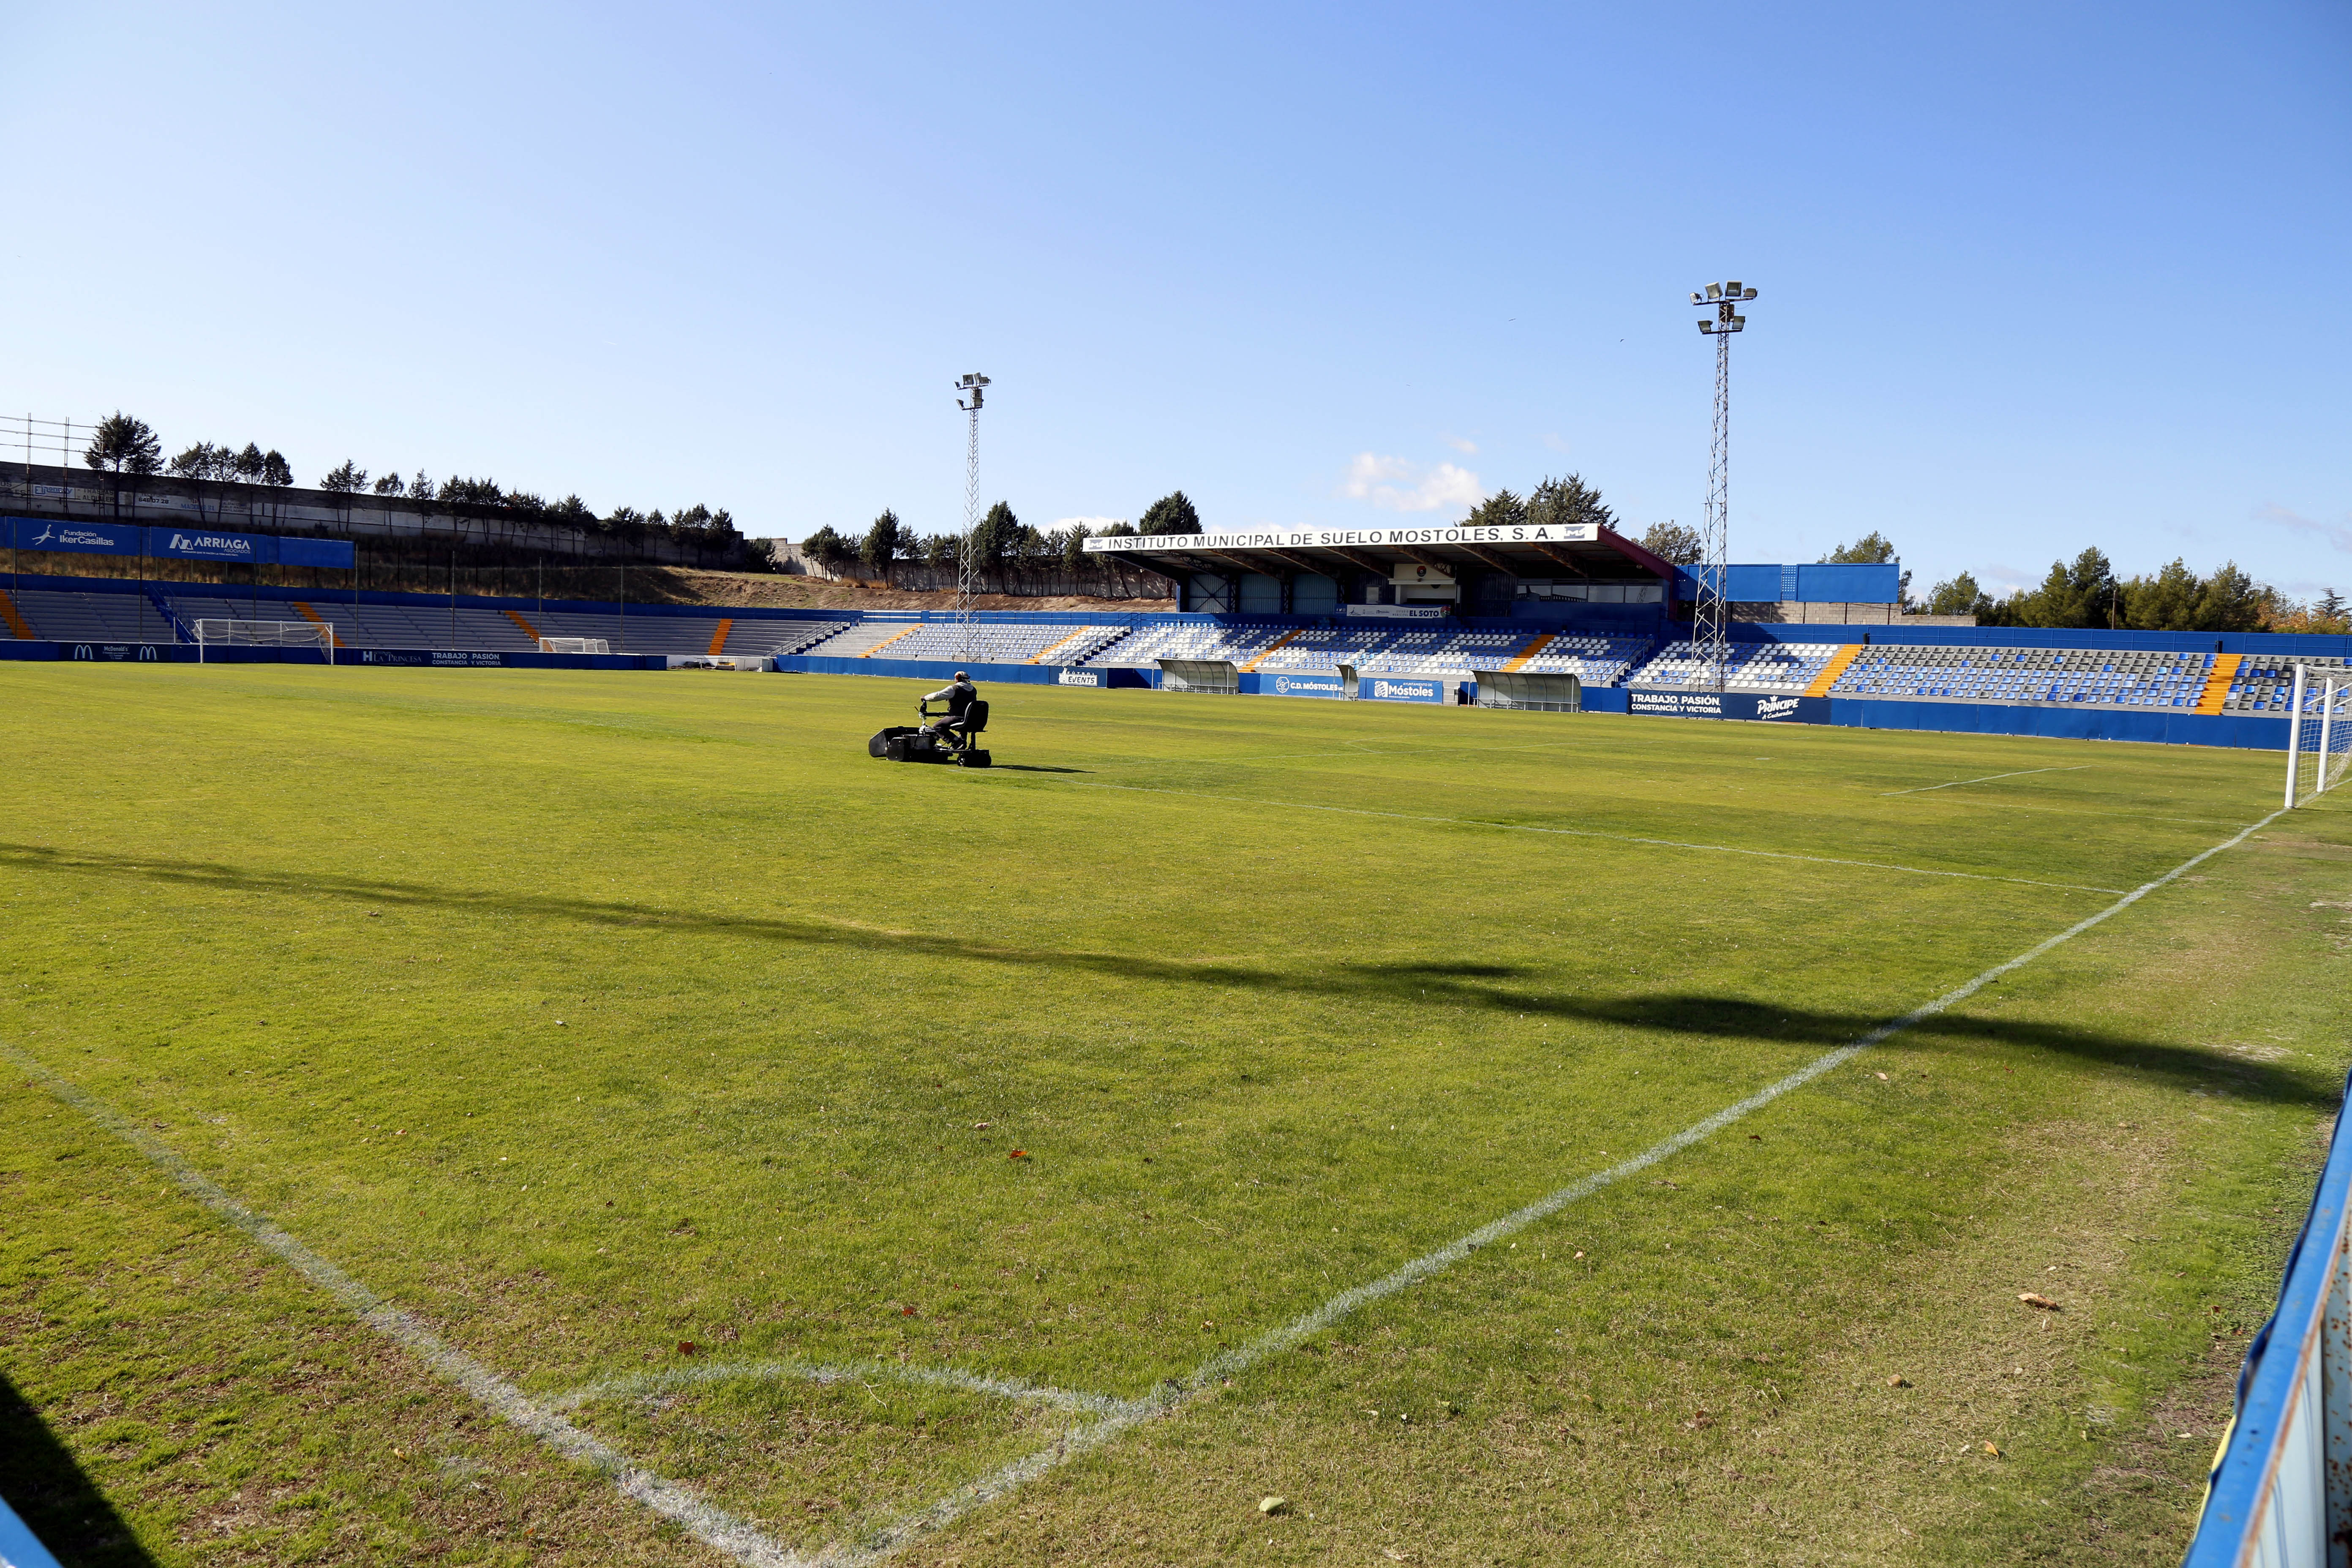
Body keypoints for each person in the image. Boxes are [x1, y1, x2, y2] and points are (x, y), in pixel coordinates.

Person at [921, 671, 978, 742]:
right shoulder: (973, 689)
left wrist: (925, 698)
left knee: (938, 726)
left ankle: (957, 741)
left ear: (957, 679)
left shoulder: (954, 689)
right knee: (963, 724)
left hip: (957, 717)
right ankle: (963, 741)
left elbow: (937, 696)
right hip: (971, 719)